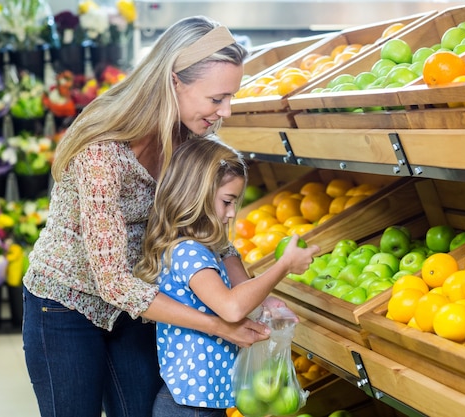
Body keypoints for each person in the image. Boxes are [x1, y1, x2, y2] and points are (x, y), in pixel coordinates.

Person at [22, 15, 286, 417]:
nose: (226, 112)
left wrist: (247, 296)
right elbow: (111, 281)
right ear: (174, 80)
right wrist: (216, 323)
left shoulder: (192, 142)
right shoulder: (103, 150)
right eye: (217, 98)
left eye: (230, 97)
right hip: (65, 303)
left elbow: (210, 227)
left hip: (142, 302)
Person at [134, 137, 319, 417]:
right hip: (190, 408)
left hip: (199, 401)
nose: (232, 213)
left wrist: (265, 303)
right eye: (227, 201)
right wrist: (283, 266)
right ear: (194, 194)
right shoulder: (188, 252)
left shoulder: (204, 247)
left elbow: (241, 293)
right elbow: (231, 308)